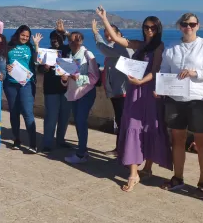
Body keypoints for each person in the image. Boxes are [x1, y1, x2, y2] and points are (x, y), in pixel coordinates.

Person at [97, 7, 172, 191]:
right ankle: (133, 173)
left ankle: (147, 168)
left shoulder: (159, 47)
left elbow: (155, 71)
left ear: (158, 29)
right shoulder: (139, 45)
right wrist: (104, 19)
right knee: (132, 126)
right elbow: (115, 39)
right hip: (135, 91)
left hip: (149, 90)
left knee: (150, 128)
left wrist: (141, 81)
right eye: (146, 27)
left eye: (153, 28)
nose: (149, 30)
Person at [159, 13, 203, 197]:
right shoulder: (172, 47)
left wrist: (195, 73)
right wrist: (161, 86)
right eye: (185, 24)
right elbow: (164, 70)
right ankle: (177, 178)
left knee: (202, 142)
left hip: (200, 101)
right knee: (176, 139)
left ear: (198, 25)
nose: (189, 27)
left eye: (192, 24)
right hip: (175, 100)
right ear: (179, 26)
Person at [91, 19, 134, 158]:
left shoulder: (121, 46)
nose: (108, 36)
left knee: (123, 121)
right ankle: (121, 149)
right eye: (106, 34)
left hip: (122, 92)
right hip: (116, 91)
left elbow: (103, 49)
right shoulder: (115, 46)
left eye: (110, 33)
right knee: (120, 121)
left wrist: (96, 34)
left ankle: (122, 150)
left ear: (118, 34)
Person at [61, 31, 100, 164]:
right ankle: (82, 151)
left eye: (76, 40)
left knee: (81, 121)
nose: (73, 43)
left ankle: (81, 153)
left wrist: (77, 77)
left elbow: (94, 78)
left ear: (81, 41)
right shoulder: (69, 56)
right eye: (71, 41)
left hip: (86, 93)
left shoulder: (88, 55)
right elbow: (66, 80)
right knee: (78, 122)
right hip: (74, 93)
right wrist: (64, 78)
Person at [4, 25, 42, 153]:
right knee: (14, 113)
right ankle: (17, 140)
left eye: (27, 36)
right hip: (11, 84)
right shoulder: (9, 46)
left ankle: (33, 143)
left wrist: (36, 45)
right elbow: (2, 61)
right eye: (23, 35)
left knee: (27, 113)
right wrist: (6, 67)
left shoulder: (30, 47)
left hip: (27, 84)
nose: (25, 38)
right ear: (18, 34)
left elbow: (38, 61)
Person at [39, 30, 71, 153]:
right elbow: (40, 70)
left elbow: (75, 41)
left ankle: (61, 140)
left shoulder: (68, 50)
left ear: (63, 39)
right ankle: (47, 143)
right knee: (51, 117)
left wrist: (66, 32)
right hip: (51, 90)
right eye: (53, 38)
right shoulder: (46, 52)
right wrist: (45, 67)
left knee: (64, 117)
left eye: (58, 38)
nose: (55, 40)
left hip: (66, 89)